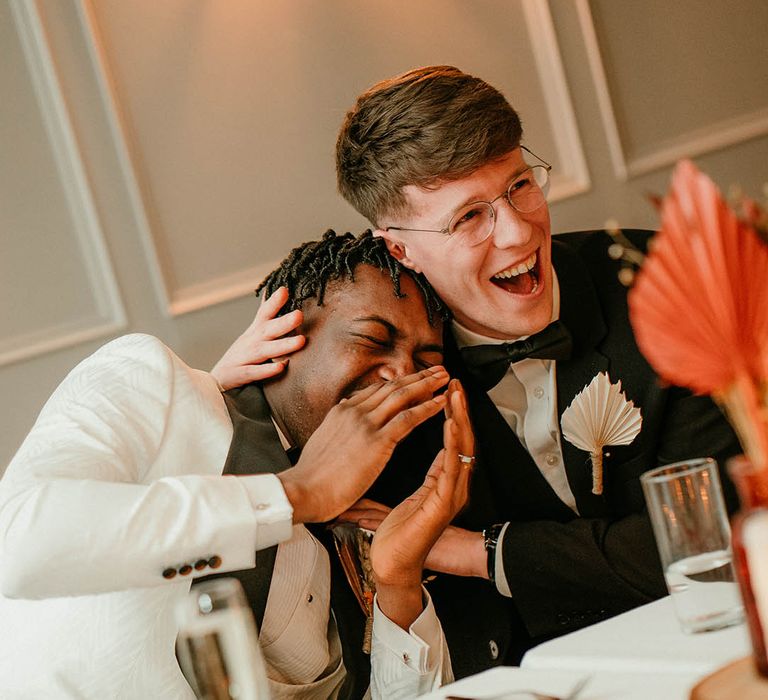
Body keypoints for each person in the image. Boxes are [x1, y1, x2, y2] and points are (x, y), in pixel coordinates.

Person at [217, 65, 741, 677]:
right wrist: (219, 385)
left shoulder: (663, 280)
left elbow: (720, 536)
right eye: (469, 217)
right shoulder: (386, 372)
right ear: (400, 249)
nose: (519, 232)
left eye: (520, 185)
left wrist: (472, 552)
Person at [0, 230, 474, 699]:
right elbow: (19, 544)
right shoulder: (156, 385)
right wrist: (295, 494)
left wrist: (398, 586)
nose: (402, 375)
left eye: (426, 363)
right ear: (285, 332)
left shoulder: (365, 528)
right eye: (373, 339)